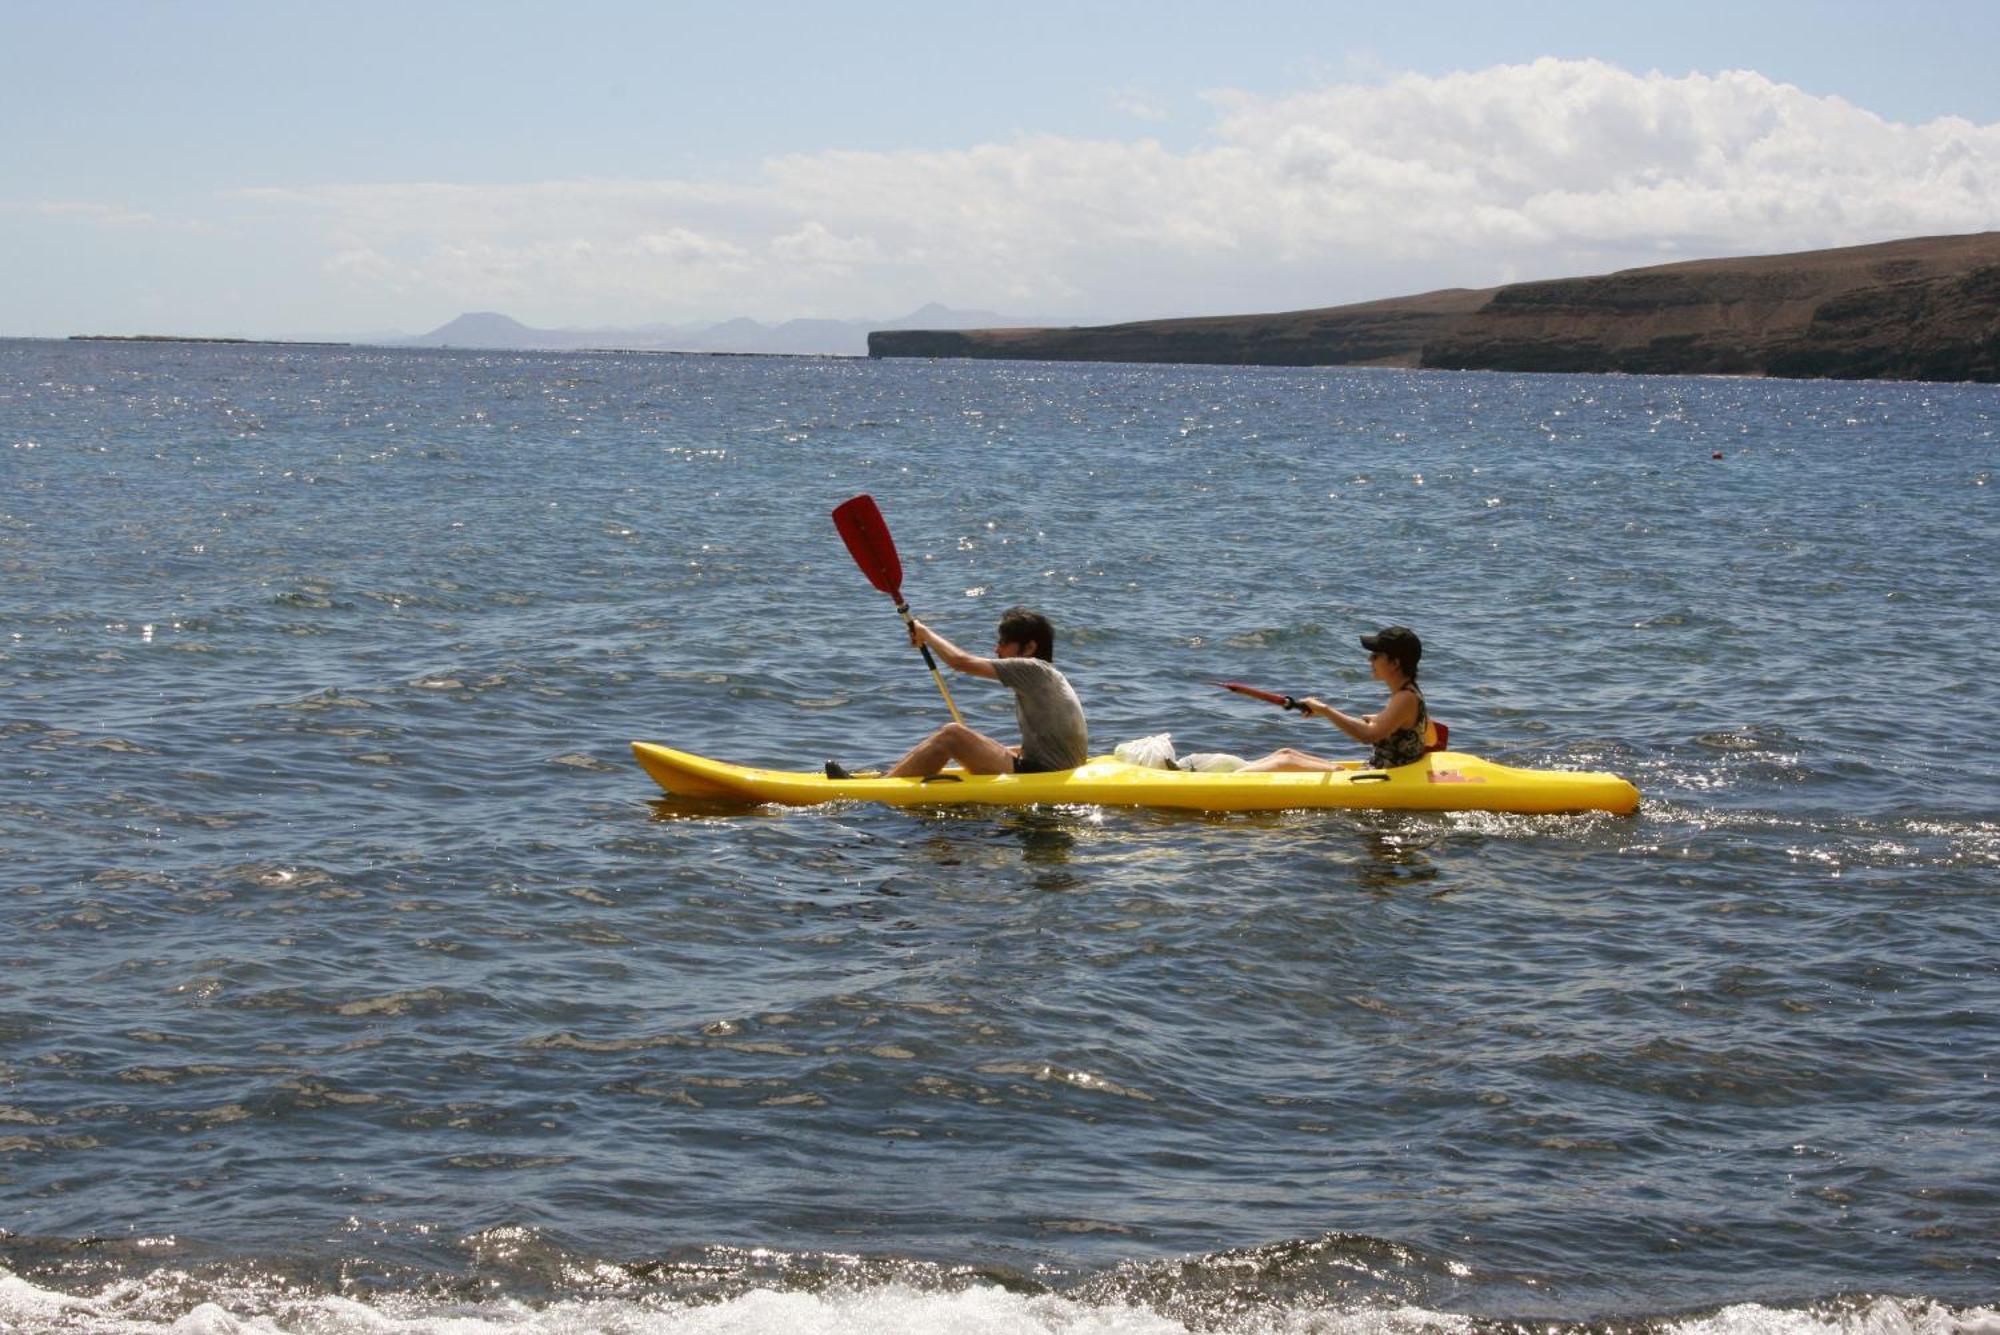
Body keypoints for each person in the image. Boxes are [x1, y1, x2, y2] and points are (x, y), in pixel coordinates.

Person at [827, 606, 1088, 779]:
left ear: (1030, 647)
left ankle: (877, 790)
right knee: (973, 740)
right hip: (1050, 766)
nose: (997, 650)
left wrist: (925, 632)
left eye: (1003, 643)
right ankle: (888, 776)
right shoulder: (1046, 677)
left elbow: (960, 662)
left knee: (952, 735)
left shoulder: (1033, 669)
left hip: (1042, 774)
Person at [1237, 626, 1430, 772]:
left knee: (1285, 762)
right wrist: (1323, 712)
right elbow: (1378, 729)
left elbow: (1367, 735)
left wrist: (1325, 710)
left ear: (1395, 663)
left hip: (1380, 779)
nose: (1369, 660)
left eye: (1376, 655)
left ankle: (1222, 785)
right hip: (1376, 773)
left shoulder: (1405, 698)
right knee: (1285, 753)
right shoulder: (1407, 693)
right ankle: (1230, 775)